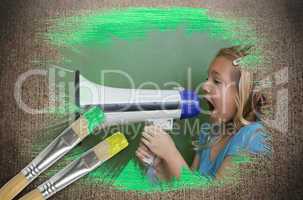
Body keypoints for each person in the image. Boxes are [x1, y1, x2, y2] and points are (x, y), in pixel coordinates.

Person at [136, 46, 270, 181]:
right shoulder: (208, 134)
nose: (205, 86)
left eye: (216, 81)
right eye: (207, 79)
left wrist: (171, 154)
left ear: (244, 94)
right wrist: (161, 167)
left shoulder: (253, 137)